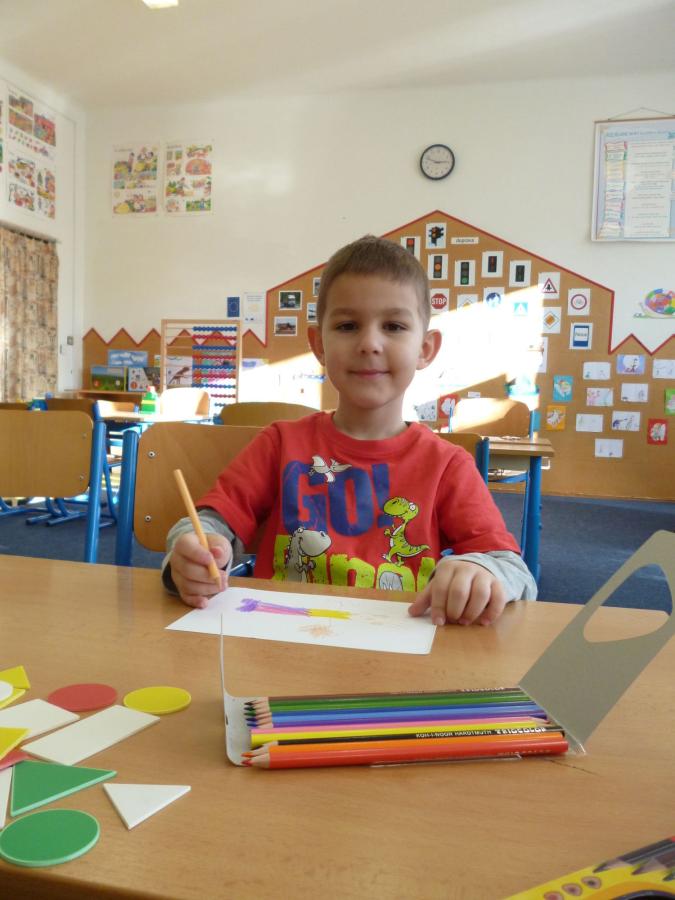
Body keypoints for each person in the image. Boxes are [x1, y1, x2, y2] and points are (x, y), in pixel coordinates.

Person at [163, 235, 537, 625]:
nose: (369, 343)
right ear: (318, 345)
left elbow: (513, 570)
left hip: (396, 646)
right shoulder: (280, 443)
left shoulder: (446, 465)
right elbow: (207, 524)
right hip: (280, 639)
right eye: (347, 325)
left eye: (393, 326)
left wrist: (482, 572)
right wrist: (194, 553)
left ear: (425, 349)